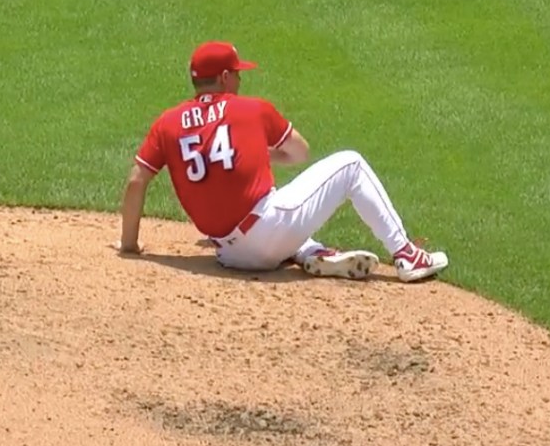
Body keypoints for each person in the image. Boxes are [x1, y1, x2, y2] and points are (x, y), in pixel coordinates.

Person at [115, 40, 449, 282]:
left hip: (229, 254)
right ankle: (407, 255)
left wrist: (129, 244)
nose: (241, 79)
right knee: (351, 164)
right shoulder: (251, 108)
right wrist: (257, 152)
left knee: (276, 212)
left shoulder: (168, 122)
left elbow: (136, 180)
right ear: (225, 77)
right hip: (268, 230)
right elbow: (299, 153)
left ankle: (311, 253)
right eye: (236, 73)